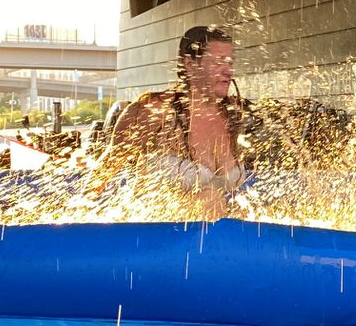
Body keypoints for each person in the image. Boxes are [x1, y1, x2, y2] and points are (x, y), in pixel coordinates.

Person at [106, 26, 256, 208]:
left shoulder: (234, 116)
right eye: (218, 62)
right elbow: (103, 174)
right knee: (209, 201)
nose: (228, 71)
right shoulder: (153, 111)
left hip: (219, 232)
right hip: (161, 232)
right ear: (190, 64)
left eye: (230, 62)